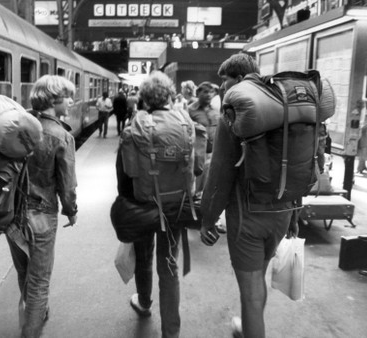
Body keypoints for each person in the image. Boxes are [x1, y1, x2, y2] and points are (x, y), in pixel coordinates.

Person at [200, 53, 296, 338]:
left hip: (248, 216)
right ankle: (248, 325)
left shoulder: (234, 111)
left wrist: (208, 218)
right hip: (282, 212)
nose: (224, 90)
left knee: (251, 294)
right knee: (258, 281)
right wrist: (294, 214)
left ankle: (250, 327)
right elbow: (299, 164)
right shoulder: (285, 104)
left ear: (241, 78)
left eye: (227, 82)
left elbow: (219, 172)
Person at [116, 71, 194, 338]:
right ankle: (171, 331)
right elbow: (195, 169)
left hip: (143, 204)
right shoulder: (186, 124)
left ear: (144, 100)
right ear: (170, 97)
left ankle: (144, 302)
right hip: (176, 207)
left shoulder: (134, 127)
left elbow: (125, 174)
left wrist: (127, 205)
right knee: (169, 266)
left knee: (144, 257)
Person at [6, 75, 78, 338]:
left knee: (24, 272)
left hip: (13, 214)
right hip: (42, 215)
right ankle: (32, 330)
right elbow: (67, 186)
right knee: (39, 284)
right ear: (54, 100)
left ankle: (36, 315)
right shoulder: (60, 135)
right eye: (68, 96)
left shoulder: (18, 126)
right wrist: (71, 210)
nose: (71, 101)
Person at [187, 82, 225, 233]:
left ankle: (213, 220)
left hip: (215, 155)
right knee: (196, 189)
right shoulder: (190, 110)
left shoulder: (216, 110)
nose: (209, 95)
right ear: (198, 93)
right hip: (197, 156)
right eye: (205, 92)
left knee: (214, 189)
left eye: (210, 92)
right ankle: (194, 217)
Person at [354, 98, 367, 174]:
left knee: (363, 151)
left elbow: (365, 125)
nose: (361, 105)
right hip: (358, 134)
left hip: (365, 135)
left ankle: (359, 168)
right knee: (361, 151)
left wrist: (358, 127)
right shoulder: (357, 112)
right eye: (360, 103)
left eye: (363, 104)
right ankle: (363, 166)